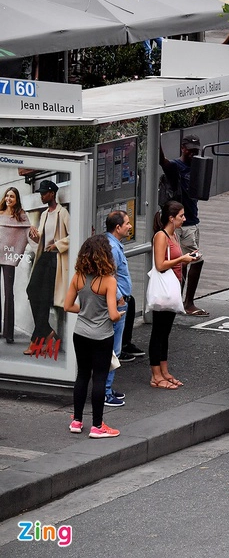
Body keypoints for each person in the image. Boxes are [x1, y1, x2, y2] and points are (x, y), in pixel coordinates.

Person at [64, 234, 124, 439]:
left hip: (80, 332)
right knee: (99, 378)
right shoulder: (109, 281)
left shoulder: (78, 277)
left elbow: (67, 305)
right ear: (105, 255)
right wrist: (119, 313)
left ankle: (77, 420)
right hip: (102, 335)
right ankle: (97, 426)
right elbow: (113, 314)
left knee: (82, 375)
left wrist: (86, 310)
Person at [150, 200, 197, 390]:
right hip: (163, 290)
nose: (184, 219)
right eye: (181, 216)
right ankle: (155, 375)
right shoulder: (161, 236)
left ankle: (164, 370)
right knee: (158, 332)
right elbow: (160, 265)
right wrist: (181, 259)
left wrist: (187, 259)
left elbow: (173, 261)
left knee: (166, 332)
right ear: (171, 218)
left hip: (173, 287)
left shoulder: (174, 235)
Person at [160, 135, 207, 316]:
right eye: (190, 149)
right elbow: (163, 162)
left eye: (195, 150)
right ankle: (184, 302)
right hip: (181, 224)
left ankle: (182, 300)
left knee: (186, 262)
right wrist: (157, 136)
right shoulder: (175, 167)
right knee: (191, 260)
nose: (193, 153)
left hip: (192, 221)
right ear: (182, 148)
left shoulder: (197, 166)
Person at [25, 180, 70, 354]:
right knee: (31, 291)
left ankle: (36, 342)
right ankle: (47, 331)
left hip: (55, 259)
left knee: (44, 299)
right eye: (41, 193)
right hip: (44, 256)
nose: (42, 196)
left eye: (44, 193)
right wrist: (34, 236)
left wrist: (58, 244)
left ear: (52, 193)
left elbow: (74, 234)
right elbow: (41, 239)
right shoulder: (44, 214)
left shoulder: (63, 213)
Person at [103, 211, 132, 408]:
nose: (130, 226)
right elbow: (109, 275)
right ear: (118, 227)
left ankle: (107, 388)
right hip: (117, 304)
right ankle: (105, 392)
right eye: (127, 223)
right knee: (114, 350)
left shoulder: (110, 243)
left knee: (113, 349)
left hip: (118, 301)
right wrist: (120, 297)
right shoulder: (113, 248)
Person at [0, 187, 31, 344]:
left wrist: (37, 237)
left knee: (9, 293)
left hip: (9, 258)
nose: (8, 198)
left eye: (11, 196)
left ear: (17, 199)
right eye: (7, 196)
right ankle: (1, 330)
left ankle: (9, 333)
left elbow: (28, 237)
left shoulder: (22, 216)